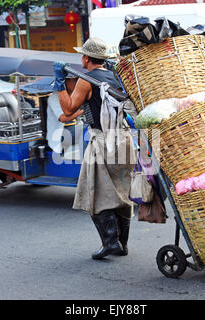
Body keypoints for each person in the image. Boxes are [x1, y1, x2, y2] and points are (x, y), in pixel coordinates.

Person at [54, 37, 135, 260]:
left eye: (82, 55)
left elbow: (68, 109)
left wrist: (59, 82)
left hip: (103, 142)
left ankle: (110, 243)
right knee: (121, 194)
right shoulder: (114, 77)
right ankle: (122, 244)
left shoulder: (85, 79)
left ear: (87, 58)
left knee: (94, 193)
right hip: (125, 141)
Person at [46, 76, 83, 153]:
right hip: (59, 134)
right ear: (66, 82)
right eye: (75, 81)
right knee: (87, 130)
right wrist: (82, 111)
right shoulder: (54, 98)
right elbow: (63, 118)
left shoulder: (74, 96)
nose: (78, 84)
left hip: (73, 129)